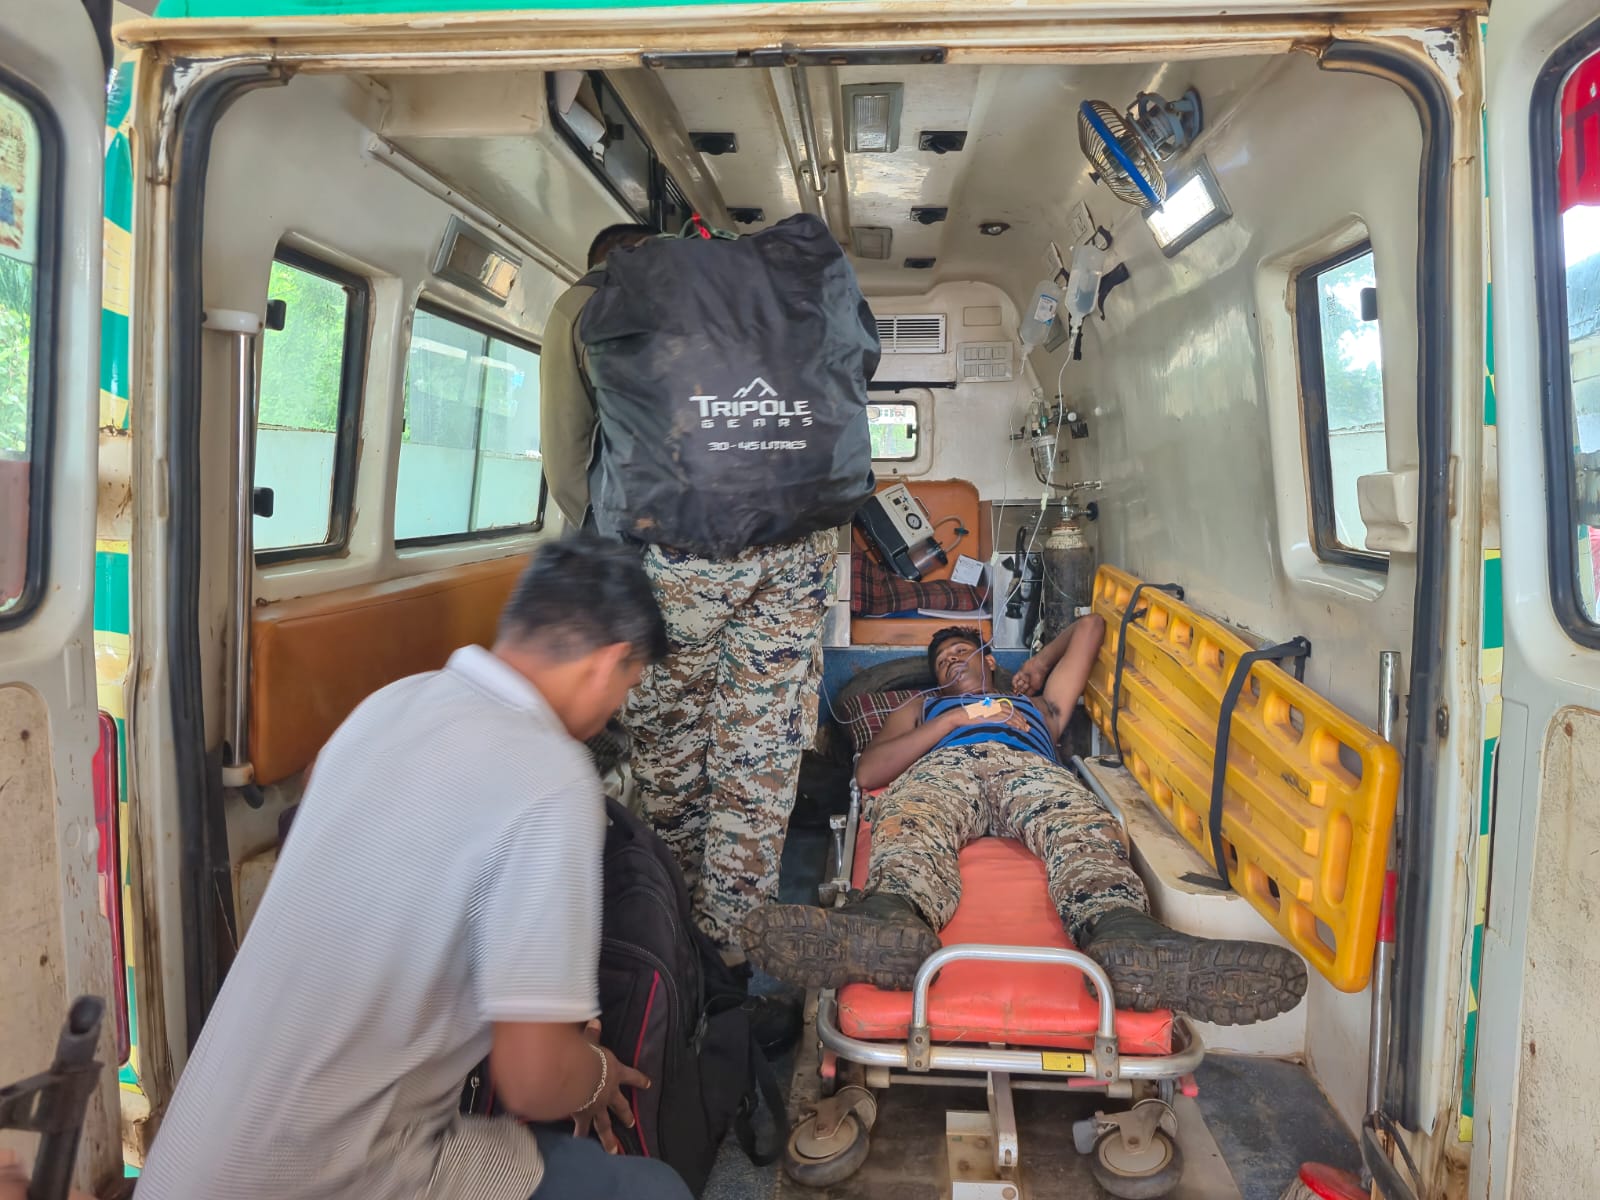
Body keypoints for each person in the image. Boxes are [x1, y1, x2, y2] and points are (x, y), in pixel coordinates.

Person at [136, 538, 691, 1200]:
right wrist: (593, 1073)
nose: (613, 711)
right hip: (336, 1175)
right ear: (605, 665)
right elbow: (535, 1081)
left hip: (187, 1166)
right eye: (627, 686)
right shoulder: (554, 779)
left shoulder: (389, 704)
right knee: (658, 1189)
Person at [742, 620, 1309, 1026]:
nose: (951, 663)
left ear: (989, 661)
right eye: (941, 664)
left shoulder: (1039, 709)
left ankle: (1125, 935)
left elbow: (1090, 627)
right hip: (945, 768)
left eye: (962, 653)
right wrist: (954, 721)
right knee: (910, 820)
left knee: (1079, 826)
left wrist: (1037, 665)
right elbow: (869, 772)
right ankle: (887, 922)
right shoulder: (924, 709)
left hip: (1027, 770)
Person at [541, 223, 654, 530]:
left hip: (628, 521)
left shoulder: (578, 305)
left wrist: (600, 528)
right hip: (725, 520)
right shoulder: (700, 297)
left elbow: (564, 461)